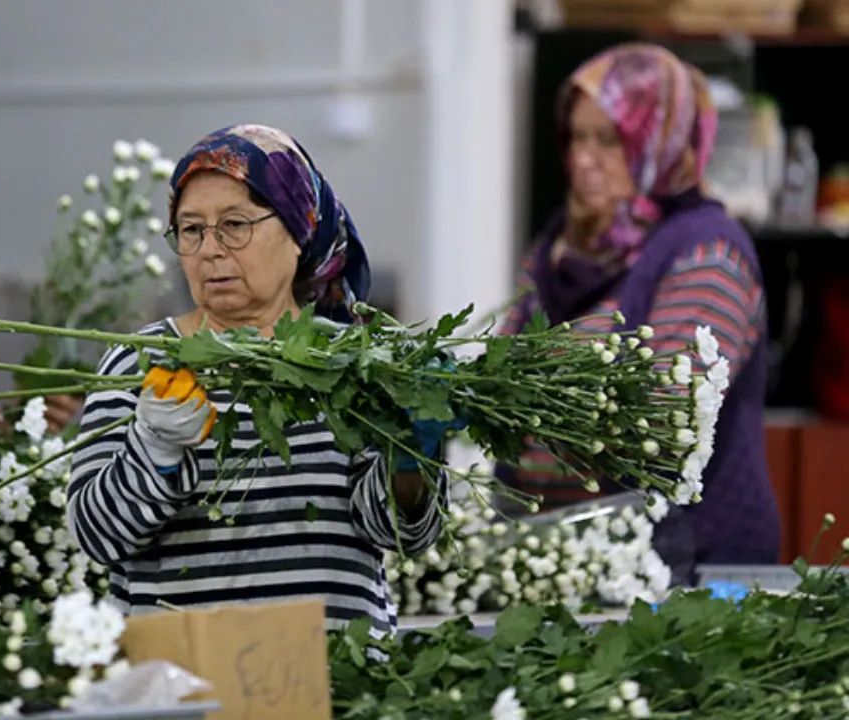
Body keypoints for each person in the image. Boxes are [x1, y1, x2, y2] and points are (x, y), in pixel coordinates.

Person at [67, 124, 454, 633]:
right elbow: (97, 537)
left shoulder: (354, 363)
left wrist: (411, 462)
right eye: (191, 230)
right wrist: (152, 452)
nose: (210, 249)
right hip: (184, 681)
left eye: (234, 224)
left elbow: (405, 535)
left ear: (297, 233)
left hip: (336, 674)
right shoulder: (141, 363)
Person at [496, 43, 778, 572]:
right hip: (560, 557)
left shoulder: (708, 249)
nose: (583, 159)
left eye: (609, 140)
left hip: (686, 567)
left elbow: (667, 418)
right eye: (576, 137)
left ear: (660, 142)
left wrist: (521, 396)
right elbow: (504, 374)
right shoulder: (558, 246)